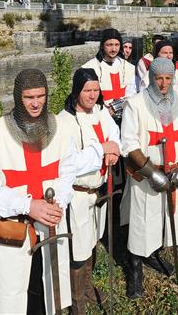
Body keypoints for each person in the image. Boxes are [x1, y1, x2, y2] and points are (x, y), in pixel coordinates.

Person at [0, 69, 77, 314]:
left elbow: (67, 170)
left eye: (41, 96)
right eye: (29, 97)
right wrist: (29, 206)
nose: (36, 103)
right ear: (18, 97)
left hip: (50, 222)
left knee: (48, 290)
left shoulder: (61, 129)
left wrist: (59, 201)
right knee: (13, 294)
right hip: (13, 226)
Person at [120, 57, 178, 298]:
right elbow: (129, 143)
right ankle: (134, 267)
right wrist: (152, 173)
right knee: (142, 221)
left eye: (167, 78)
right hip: (147, 175)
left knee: (164, 218)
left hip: (175, 173)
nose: (163, 84)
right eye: (158, 78)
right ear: (150, 78)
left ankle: (152, 253)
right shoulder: (135, 104)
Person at [57, 68, 122, 313]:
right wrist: (102, 150)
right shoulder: (64, 121)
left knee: (93, 242)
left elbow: (114, 135)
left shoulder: (101, 113)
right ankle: (77, 303)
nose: (92, 95)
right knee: (78, 250)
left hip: (99, 192)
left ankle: (87, 287)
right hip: (78, 195)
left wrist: (114, 150)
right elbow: (69, 163)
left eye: (96, 90)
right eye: (87, 90)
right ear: (76, 91)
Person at [82, 29, 136, 124]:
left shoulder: (128, 68)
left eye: (117, 45)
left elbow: (132, 94)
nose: (114, 49)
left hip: (125, 117)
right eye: (109, 45)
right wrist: (105, 112)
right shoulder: (89, 68)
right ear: (103, 45)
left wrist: (118, 106)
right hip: (98, 117)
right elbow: (85, 97)